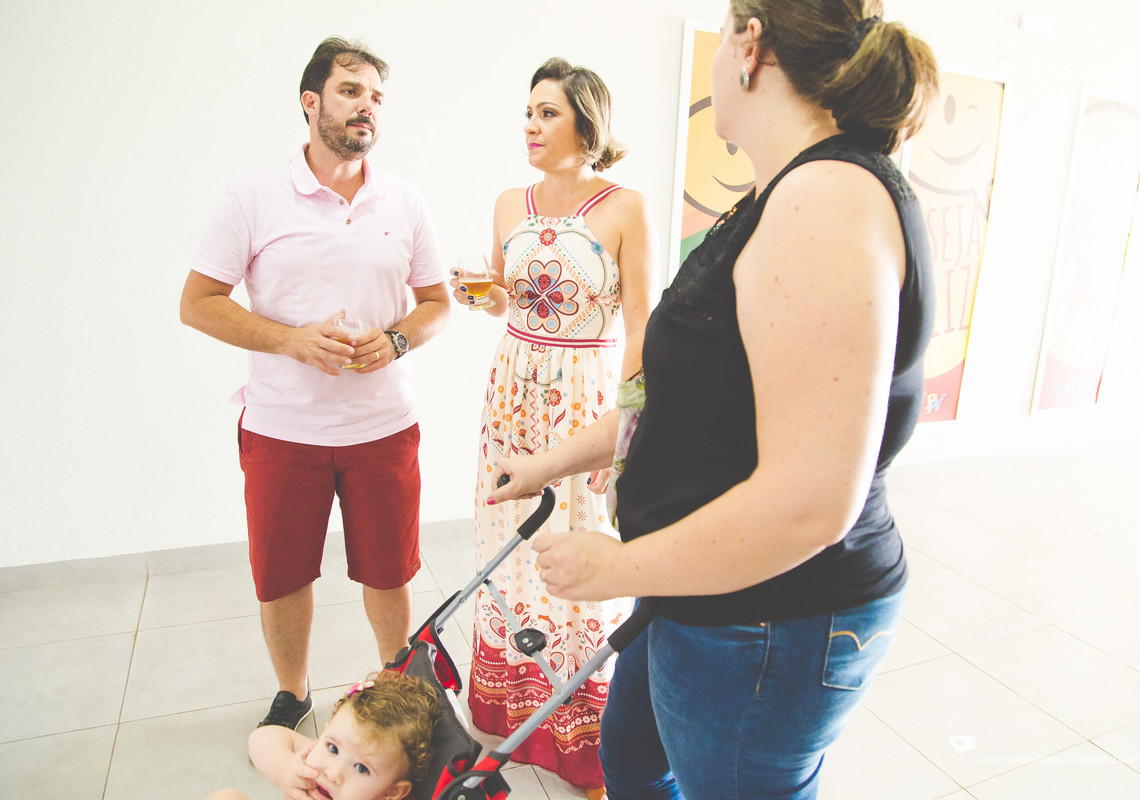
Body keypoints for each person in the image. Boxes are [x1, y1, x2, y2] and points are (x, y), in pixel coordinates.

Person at [488, 2, 939, 798]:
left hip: (771, 618)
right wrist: (546, 464)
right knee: (629, 764)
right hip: (700, 589)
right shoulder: (780, 193)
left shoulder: (827, 201)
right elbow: (677, 392)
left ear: (750, 47)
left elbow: (810, 503)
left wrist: (618, 566)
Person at [180, 37, 450, 733]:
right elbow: (198, 300)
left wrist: (393, 341)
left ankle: (398, 685)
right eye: (352, 91)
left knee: (390, 572)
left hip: (384, 428)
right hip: (281, 429)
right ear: (312, 102)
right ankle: (293, 692)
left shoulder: (405, 199)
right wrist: (288, 339)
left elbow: (437, 303)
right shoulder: (253, 197)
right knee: (284, 575)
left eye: (377, 97)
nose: (368, 107)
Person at [449, 57, 656, 798]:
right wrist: (485, 296)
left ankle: (582, 731)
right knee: (510, 543)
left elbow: (641, 327)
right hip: (513, 388)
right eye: (528, 112)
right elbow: (514, 299)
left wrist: (624, 429)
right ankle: (512, 706)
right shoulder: (510, 202)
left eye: (547, 113)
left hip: (585, 395)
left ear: (585, 123)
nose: (531, 126)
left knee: (580, 552)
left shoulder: (625, 207)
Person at [206, 671, 440, 800]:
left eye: (361, 768)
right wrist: (285, 770)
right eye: (332, 748)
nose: (334, 773)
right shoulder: (322, 762)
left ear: (391, 793)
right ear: (326, 731)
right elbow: (263, 737)